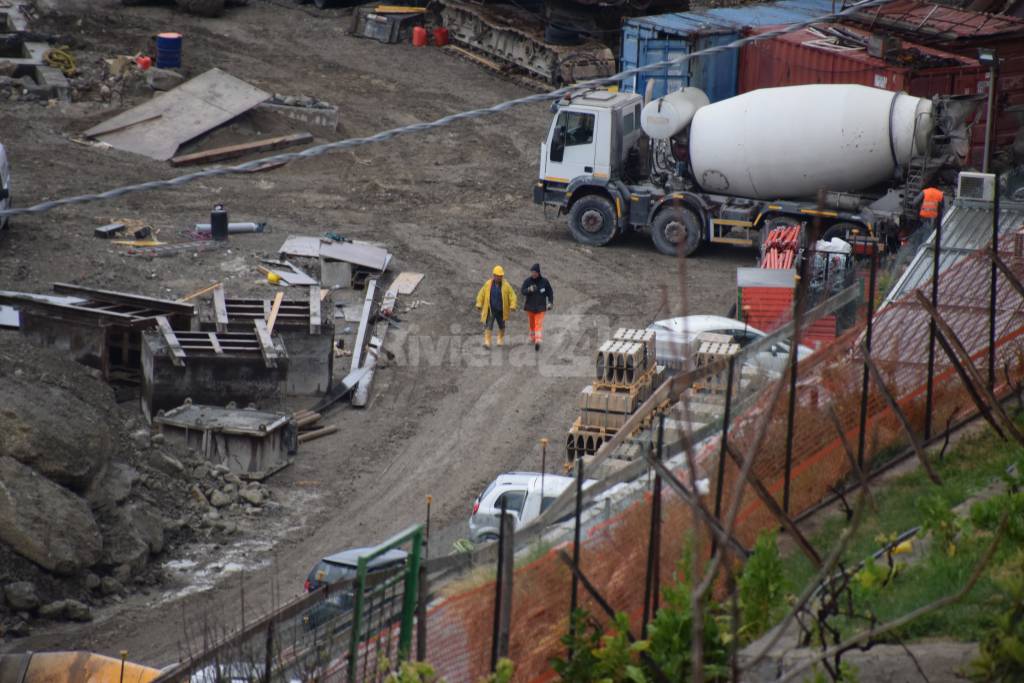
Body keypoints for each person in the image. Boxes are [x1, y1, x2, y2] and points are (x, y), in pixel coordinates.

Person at [475, 265, 518, 348]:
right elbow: (481, 294)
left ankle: (500, 339)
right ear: (493, 275)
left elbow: (512, 295)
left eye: (500, 276)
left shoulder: (506, 285)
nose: (499, 277)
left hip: (501, 310)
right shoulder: (488, 284)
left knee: (501, 325)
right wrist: (479, 303)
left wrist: (513, 305)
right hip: (491, 309)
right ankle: (487, 342)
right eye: (497, 276)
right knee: (488, 325)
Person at [521, 263, 554, 351]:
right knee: (532, 324)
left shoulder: (545, 282)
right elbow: (522, 291)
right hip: (530, 307)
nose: (533, 274)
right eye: (532, 272)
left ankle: (538, 340)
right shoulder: (527, 281)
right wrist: (529, 289)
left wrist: (550, 303)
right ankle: (532, 338)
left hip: (541, 308)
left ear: (538, 272)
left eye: (535, 272)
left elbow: (550, 293)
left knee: (538, 324)